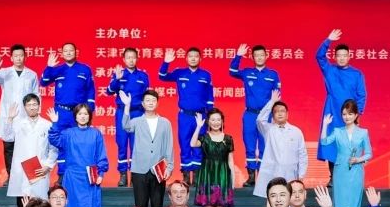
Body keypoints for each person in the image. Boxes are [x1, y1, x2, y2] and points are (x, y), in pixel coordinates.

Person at [47, 103, 108, 207]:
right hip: (72, 177)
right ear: (75, 116)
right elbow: (55, 140)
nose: (83, 116)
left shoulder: (95, 134)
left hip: (90, 177)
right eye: (80, 114)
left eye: (85, 114)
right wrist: (55, 123)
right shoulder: (68, 133)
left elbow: (101, 155)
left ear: (89, 116)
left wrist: (101, 174)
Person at [121, 88, 175, 207]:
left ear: (157, 103)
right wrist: (127, 106)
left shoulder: (165, 123)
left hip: (158, 170)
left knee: (157, 206)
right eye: (148, 100)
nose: (151, 103)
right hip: (139, 169)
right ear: (143, 104)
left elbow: (169, 146)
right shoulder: (137, 121)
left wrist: (170, 167)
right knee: (141, 206)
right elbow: (125, 126)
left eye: (153, 100)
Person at [321, 99, 372, 207]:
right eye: (344, 114)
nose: (347, 117)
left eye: (350, 114)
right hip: (340, 172)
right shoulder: (337, 131)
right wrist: (325, 125)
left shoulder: (363, 132)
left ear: (356, 115)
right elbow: (324, 142)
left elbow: (369, 153)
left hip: (356, 172)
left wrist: (358, 159)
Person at [158, 47, 215, 183]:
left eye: (196, 56)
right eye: (190, 56)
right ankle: (186, 174)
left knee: (199, 144)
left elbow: (209, 97)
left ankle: (197, 174)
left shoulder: (206, 75)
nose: (193, 58)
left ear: (200, 58)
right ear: (186, 58)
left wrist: (209, 115)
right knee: (184, 143)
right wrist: (166, 62)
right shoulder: (180, 73)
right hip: (185, 116)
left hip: (201, 116)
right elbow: (162, 76)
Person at [229, 43, 281, 188]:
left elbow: (277, 96)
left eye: (261, 55)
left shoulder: (273, 75)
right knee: (250, 145)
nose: (259, 57)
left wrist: (275, 115)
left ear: (266, 56)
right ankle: (251, 177)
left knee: (265, 146)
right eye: (256, 55)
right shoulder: (247, 73)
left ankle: (264, 177)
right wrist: (238, 56)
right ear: (253, 58)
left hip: (266, 116)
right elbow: (232, 71)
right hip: (250, 114)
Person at [315, 29, 367, 176]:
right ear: (335, 57)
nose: (342, 58)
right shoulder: (329, 70)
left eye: (345, 55)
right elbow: (319, 56)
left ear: (349, 56)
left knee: (349, 142)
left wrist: (357, 114)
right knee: (331, 143)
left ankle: (349, 174)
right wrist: (328, 40)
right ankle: (333, 176)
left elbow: (361, 95)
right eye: (339, 55)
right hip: (332, 110)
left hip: (349, 114)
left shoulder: (356, 74)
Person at [0, 44, 40, 181]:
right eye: (16, 56)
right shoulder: (5, 72)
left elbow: (36, 95)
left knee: (27, 147)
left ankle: (29, 177)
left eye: (21, 55)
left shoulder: (32, 74)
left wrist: (35, 114)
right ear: (11, 58)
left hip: (26, 116)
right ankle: (11, 177)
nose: (18, 58)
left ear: (25, 57)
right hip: (8, 115)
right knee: (9, 147)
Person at [5, 93, 57, 207]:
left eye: (35, 104)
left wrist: (48, 165)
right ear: (25, 107)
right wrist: (10, 119)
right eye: (29, 105)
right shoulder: (18, 123)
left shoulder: (47, 125)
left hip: (40, 170)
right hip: (23, 171)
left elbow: (54, 148)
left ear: (39, 106)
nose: (32, 107)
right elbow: (8, 137)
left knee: (40, 206)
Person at [190, 109, 235, 207]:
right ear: (208, 122)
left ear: (222, 122)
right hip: (208, 174)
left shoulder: (228, 139)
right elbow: (192, 143)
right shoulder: (204, 138)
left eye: (218, 120)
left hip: (223, 175)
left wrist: (233, 180)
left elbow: (230, 161)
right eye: (213, 120)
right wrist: (198, 127)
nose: (216, 122)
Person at [105, 47, 151, 187]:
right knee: (122, 143)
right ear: (124, 59)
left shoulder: (143, 76)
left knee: (137, 145)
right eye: (128, 57)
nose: (131, 60)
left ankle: (136, 174)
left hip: (138, 113)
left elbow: (147, 97)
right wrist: (117, 80)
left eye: (133, 57)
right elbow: (109, 91)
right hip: (122, 113)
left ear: (137, 58)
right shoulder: (118, 74)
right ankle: (123, 174)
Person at [253, 90, 307, 197]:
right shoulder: (268, 129)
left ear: (287, 114)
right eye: (276, 111)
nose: (280, 113)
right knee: (272, 199)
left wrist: (301, 175)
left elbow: (302, 154)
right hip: (272, 172)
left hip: (291, 173)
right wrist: (271, 102)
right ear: (272, 115)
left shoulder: (296, 131)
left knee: (290, 199)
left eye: (282, 111)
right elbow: (260, 120)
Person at [41, 42, 95, 134]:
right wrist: (49, 67)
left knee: (78, 139)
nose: (68, 53)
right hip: (61, 112)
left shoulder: (85, 69)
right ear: (62, 53)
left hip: (78, 112)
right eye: (65, 51)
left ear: (76, 52)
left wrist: (89, 109)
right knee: (60, 139)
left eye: (71, 50)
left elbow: (90, 89)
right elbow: (43, 82)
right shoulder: (57, 69)